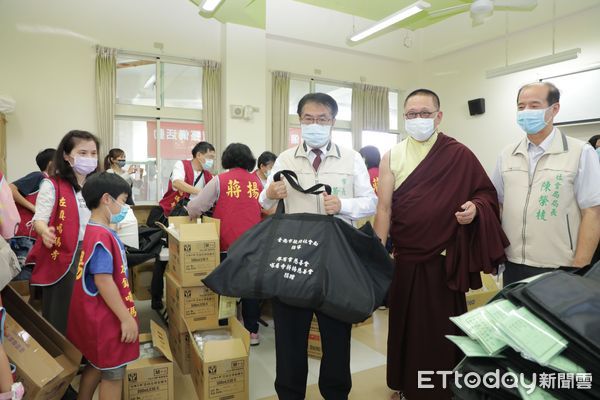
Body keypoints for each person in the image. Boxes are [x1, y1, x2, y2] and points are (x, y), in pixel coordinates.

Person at [374, 89, 508, 400]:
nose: (417, 119)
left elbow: (485, 195)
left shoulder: (458, 154)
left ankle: (444, 386)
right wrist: (377, 256)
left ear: (439, 116)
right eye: (411, 114)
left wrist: (474, 208)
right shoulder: (391, 155)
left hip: (443, 259)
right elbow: (385, 208)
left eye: (424, 113)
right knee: (405, 325)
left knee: (441, 328)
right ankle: (407, 384)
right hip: (405, 257)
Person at [260, 93, 377, 400]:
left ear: (333, 122)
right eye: (308, 119)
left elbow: (370, 202)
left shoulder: (352, 158)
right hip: (293, 259)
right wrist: (271, 191)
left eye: (322, 119)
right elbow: (264, 201)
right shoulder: (286, 158)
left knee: (337, 338)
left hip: (336, 261)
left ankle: (336, 394)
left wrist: (343, 204)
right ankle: (290, 394)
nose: (315, 125)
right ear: (299, 121)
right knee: (289, 340)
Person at [492, 82, 600, 285]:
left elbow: (593, 212)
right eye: (521, 107)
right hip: (512, 262)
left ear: (555, 109)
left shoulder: (580, 152)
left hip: (560, 265)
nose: (526, 112)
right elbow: (498, 204)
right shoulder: (507, 154)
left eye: (534, 106)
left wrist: (579, 267)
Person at [66, 172, 139, 400]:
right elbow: (103, 280)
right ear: (107, 199)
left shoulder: (94, 229)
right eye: (123, 200)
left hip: (97, 318)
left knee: (97, 365)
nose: (125, 207)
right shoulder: (102, 236)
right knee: (113, 375)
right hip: (109, 321)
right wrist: (126, 318)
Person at [187, 143, 264, 345]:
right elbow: (265, 208)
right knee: (250, 289)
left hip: (227, 242)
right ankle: (252, 331)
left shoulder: (219, 181)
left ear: (226, 159)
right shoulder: (257, 182)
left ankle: (227, 326)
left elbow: (196, 206)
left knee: (227, 285)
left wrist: (192, 214)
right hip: (254, 242)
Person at [26, 130, 98, 335]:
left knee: (90, 309)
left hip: (93, 251)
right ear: (67, 156)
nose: (90, 158)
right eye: (83, 152)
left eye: (93, 153)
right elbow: (40, 218)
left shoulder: (96, 184)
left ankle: (85, 357)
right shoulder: (53, 184)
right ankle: (62, 358)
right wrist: (44, 230)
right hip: (65, 254)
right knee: (62, 312)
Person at [150, 141, 216, 310]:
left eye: (213, 158)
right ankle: (156, 296)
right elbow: (177, 183)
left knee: (187, 254)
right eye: (209, 157)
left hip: (191, 218)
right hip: (170, 214)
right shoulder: (182, 165)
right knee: (163, 256)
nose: (211, 161)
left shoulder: (208, 175)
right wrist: (202, 192)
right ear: (199, 155)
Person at [9, 148, 56, 278]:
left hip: (36, 236)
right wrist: (34, 208)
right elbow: (11, 189)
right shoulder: (39, 176)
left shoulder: (52, 184)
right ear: (51, 163)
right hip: (25, 236)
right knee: (23, 276)